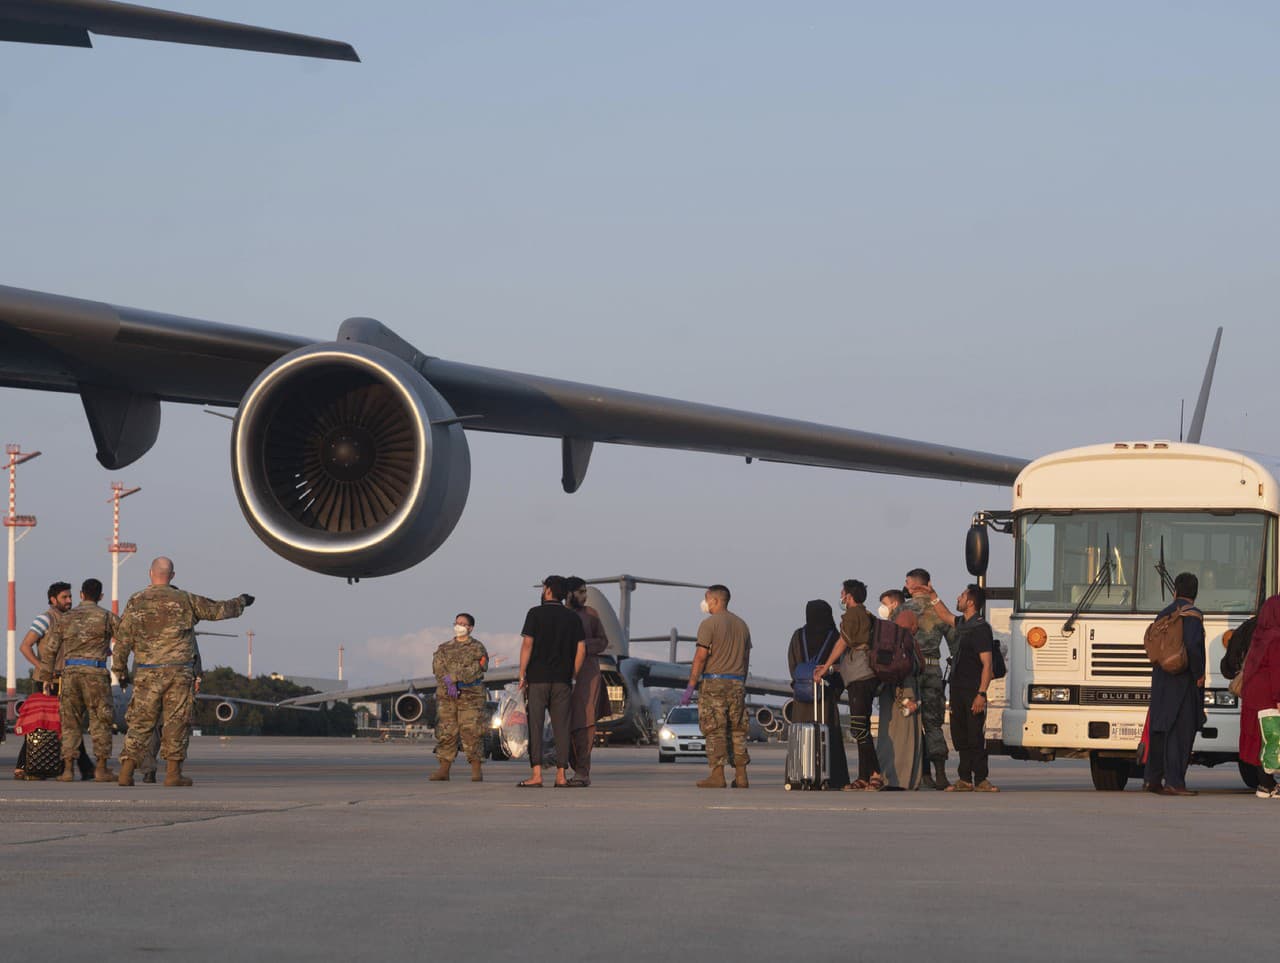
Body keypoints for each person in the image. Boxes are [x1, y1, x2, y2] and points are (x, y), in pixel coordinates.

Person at [112, 556, 252, 787]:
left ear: (150, 573)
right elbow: (219, 610)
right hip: (179, 673)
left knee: (139, 723)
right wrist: (242, 602)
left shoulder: (136, 601)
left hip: (147, 672)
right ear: (172, 576)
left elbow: (123, 640)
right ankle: (173, 774)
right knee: (176, 722)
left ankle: (126, 772)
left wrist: (121, 671)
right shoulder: (185, 599)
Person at [36, 578, 119, 783]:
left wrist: (47, 677)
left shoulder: (65, 618)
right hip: (96, 674)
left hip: (70, 674)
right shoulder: (107, 617)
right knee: (100, 721)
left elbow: (50, 649)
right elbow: (125, 641)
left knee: (70, 722)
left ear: (81, 595)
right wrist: (122, 670)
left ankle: (67, 770)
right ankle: (101, 768)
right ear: (100, 596)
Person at [13, 581, 92, 781]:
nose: (69, 600)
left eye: (70, 597)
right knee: (43, 724)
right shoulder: (45, 619)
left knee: (67, 722)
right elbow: (25, 646)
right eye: (65, 597)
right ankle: (26, 764)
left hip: (68, 679)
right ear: (53, 599)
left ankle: (82, 766)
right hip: (49, 681)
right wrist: (42, 667)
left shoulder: (71, 620)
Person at [517, 576, 586, 788]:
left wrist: (522, 673)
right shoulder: (572, 617)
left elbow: (528, 644)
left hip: (537, 679)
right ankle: (561, 776)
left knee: (536, 726)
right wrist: (572, 673)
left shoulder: (535, 613)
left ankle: (536, 775)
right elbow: (582, 648)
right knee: (561, 728)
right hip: (562, 680)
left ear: (547, 591)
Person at [813, 580, 882, 790]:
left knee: (859, 728)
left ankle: (875, 774)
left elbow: (842, 642)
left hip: (860, 677)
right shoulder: (868, 615)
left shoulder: (853, 615)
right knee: (861, 728)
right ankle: (864, 776)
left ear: (849, 596)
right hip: (865, 674)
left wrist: (825, 667)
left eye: (843, 593)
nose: (841, 597)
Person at [683, 584, 752, 789]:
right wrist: (741, 681)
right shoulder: (742, 625)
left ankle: (717, 775)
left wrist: (690, 687)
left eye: (706, 598)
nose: (705, 603)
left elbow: (700, 657)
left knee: (715, 729)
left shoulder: (709, 624)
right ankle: (741, 776)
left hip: (714, 683)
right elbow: (746, 658)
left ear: (715, 600)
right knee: (738, 729)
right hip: (737, 682)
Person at [1145, 572, 1205, 796]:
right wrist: (1198, 674)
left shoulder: (1165, 613)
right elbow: (1192, 645)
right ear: (1195, 593)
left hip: (1161, 678)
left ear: (1175, 592)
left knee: (1160, 729)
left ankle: (1152, 779)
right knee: (1180, 732)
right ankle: (1175, 782)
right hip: (1182, 680)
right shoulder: (1193, 615)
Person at [786, 599, 849, 789]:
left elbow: (793, 664)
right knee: (828, 736)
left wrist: (801, 684)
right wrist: (834, 690)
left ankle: (798, 776)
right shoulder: (835, 637)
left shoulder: (798, 636)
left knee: (801, 736)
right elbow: (843, 666)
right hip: (825, 697)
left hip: (802, 697)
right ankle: (833, 778)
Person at [903, 568, 954, 789]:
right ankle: (940, 773)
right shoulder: (939, 611)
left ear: (913, 585)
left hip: (911, 672)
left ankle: (922, 774)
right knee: (933, 724)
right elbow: (954, 641)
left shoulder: (903, 610)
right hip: (933, 671)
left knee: (911, 724)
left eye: (907, 583)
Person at [944, 584, 998, 792]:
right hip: (956, 688)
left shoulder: (980, 628)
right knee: (960, 735)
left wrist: (981, 694)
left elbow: (987, 665)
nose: (958, 597)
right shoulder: (963, 624)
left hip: (973, 690)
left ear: (971, 602)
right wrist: (932, 596)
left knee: (975, 735)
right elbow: (945, 615)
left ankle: (981, 779)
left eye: (962, 595)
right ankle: (964, 779)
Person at [428, 612, 489, 782]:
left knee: (472, 732)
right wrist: (448, 683)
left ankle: (476, 769)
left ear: (470, 628)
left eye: (463, 623)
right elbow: (438, 668)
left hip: (471, 697)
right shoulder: (444, 648)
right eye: (457, 622)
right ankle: (444, 769)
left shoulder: (477, 648)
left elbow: (478, 668)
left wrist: (455, 678)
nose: (459, 626)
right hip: (447, 697)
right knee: (447, 732)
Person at [137, 640, 203, 784]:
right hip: (177, 681)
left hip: (150, 681)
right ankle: (173, 772)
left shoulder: (147, 621)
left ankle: (148, 772)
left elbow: (138, 653)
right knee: (176, 727)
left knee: (151, 729)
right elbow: (194, 654)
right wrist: (197, 678)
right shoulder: (182, 620)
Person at [565, 576, 609, 787]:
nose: (585, 596)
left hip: (587, 675)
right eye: (581, 592)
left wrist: (580, 646)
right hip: (561, 674)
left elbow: (603, 641)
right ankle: (565, 768)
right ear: (569, 593)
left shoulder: (591, 614)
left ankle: (583, 771)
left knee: (585, 722)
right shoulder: (560, 614)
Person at [876, 606, 924, 790]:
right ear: (910, 625)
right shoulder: (906, 642)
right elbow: (913, 668)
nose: (917, 628)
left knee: (890, 736)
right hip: (906, 693)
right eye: (915, 624)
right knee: (905, 740)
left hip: (890, 694)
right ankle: (903, 780)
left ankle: (890, 777)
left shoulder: (888, 642)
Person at [1238, 595, 1280, 798]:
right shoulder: (1276, 638)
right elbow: (1277, 671)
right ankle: (1267, 785)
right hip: (1267, 697)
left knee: (1260, 741)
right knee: (1272, 739)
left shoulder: (1259, 636)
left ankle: (1266, 784)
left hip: (1253, 696)